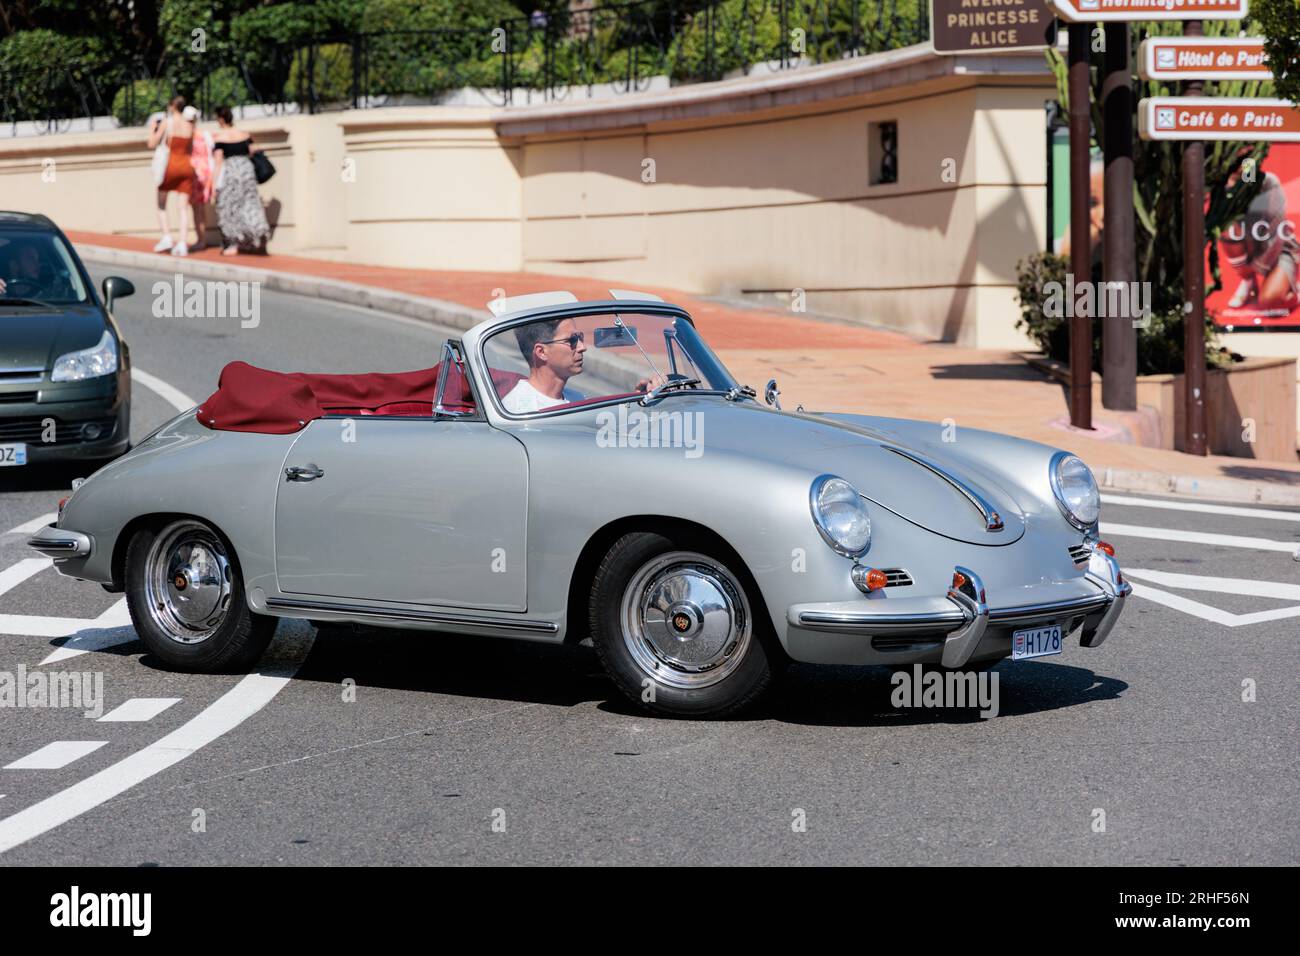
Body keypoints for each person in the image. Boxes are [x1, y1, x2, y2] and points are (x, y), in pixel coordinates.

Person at [211, 106, 271, 256]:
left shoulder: (219, 138)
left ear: (220, 119)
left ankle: (234, 243)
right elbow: (252, 151)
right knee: (251, 204)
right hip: (246, 170)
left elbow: (218, 162)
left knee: (230, 208)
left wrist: (213, 185)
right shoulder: (244, 135)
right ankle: (257, 233)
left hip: (231, 172)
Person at [502, 318, 588, 412]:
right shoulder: (518, 411)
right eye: (572, 340)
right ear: (541, 352)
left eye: (580, 337)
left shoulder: (579, 399)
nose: (582, 347)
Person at [147, 95, 197, 256]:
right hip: (186, 166)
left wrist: (152, 128)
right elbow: (190, 148)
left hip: (170, 166)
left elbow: (151, 144)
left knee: (161, 204)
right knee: (183, 208)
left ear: (172, 106)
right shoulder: (190, 125)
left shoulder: (168, 123)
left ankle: (167, 236)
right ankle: (182, 243)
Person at [184, 105, 216, 252]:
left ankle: (201, 240)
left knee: (196, 208)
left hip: (196, 174)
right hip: (202, 173)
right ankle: (201, 238)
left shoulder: (188, 136)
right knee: (199, 208)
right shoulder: (204, 134)